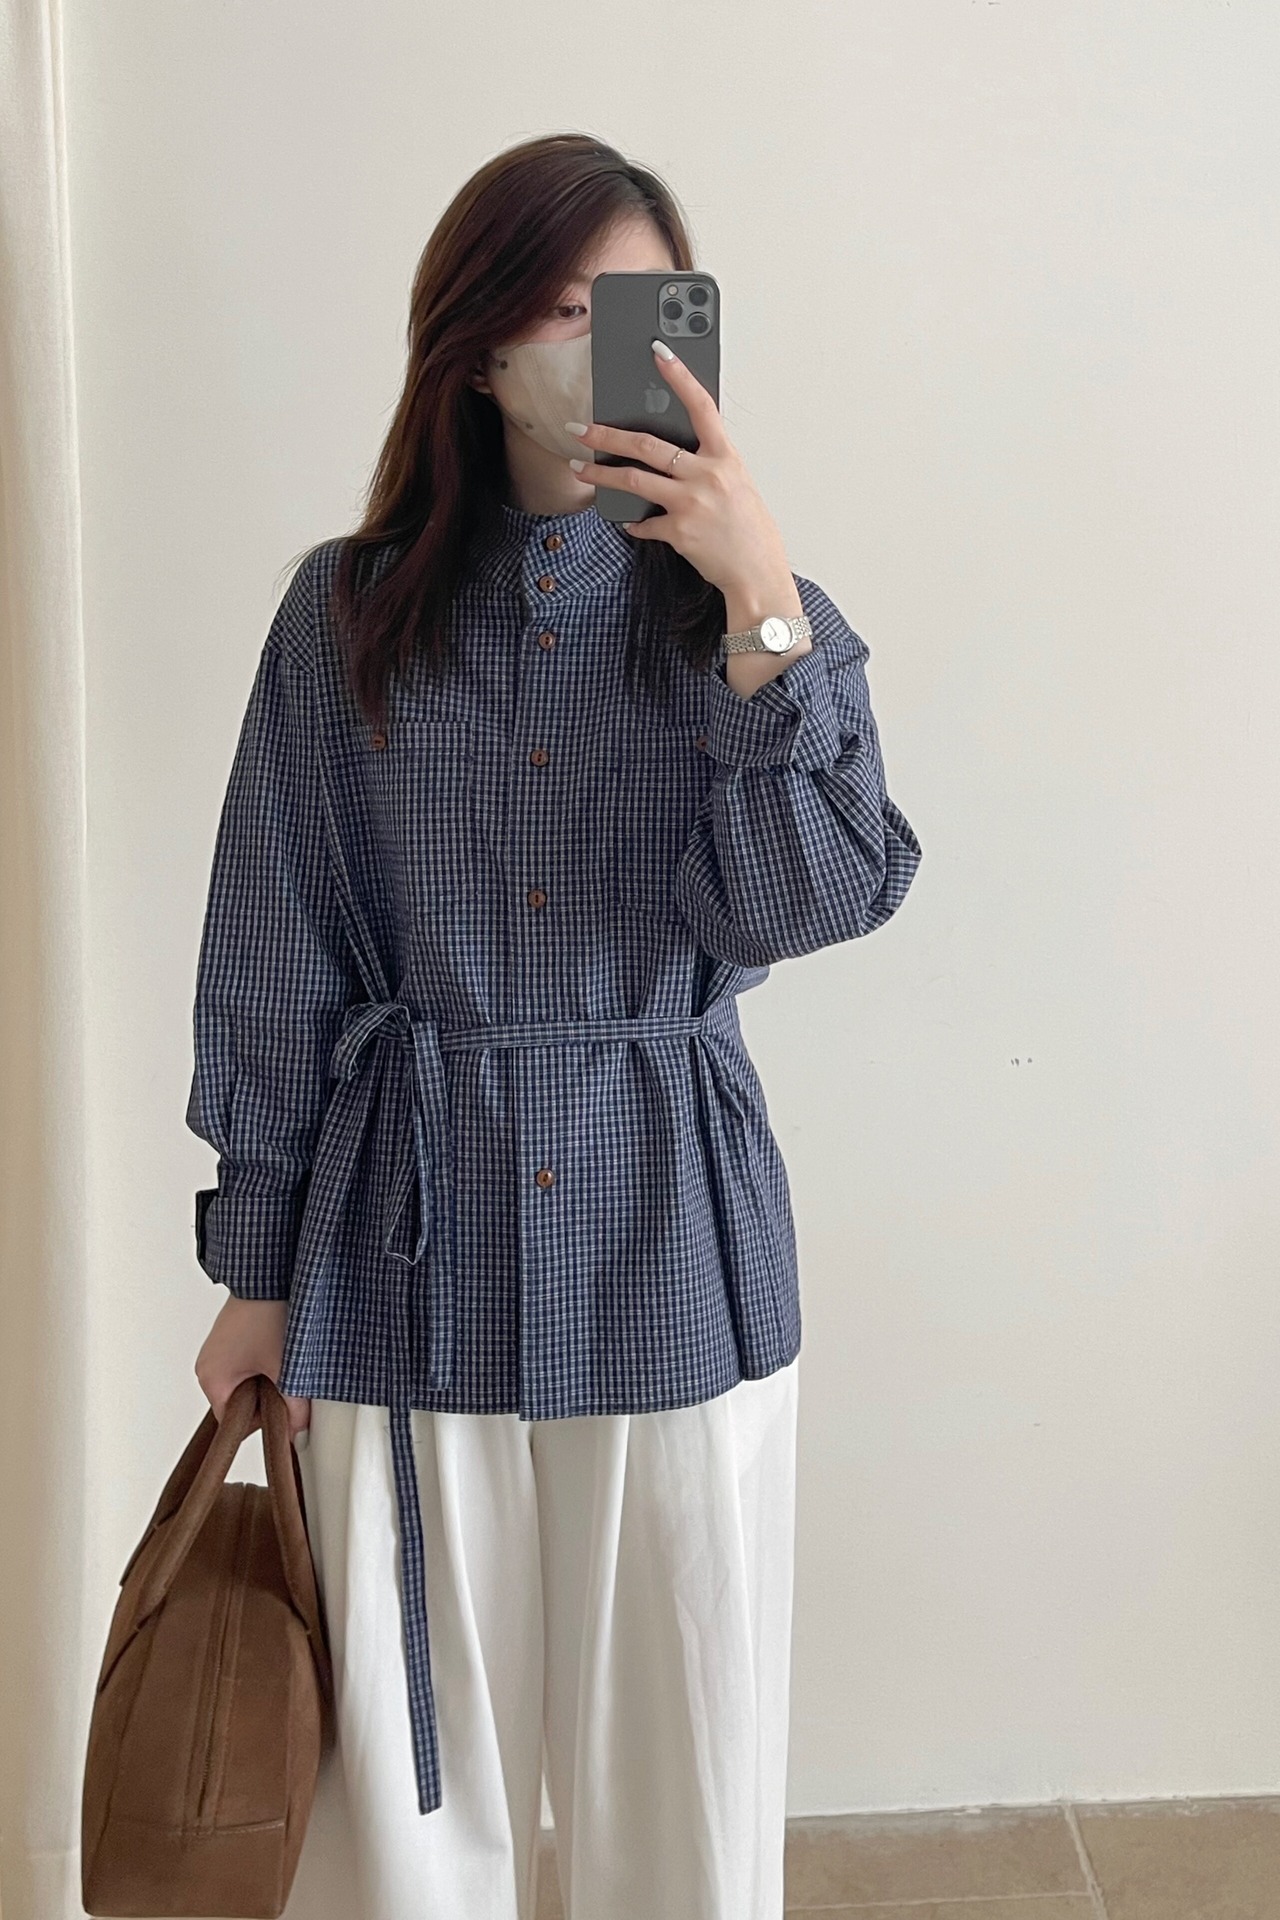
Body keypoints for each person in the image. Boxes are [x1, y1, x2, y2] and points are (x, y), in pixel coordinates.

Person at [189, 131, 922, 1920]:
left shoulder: (752, 622)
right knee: (394, 1824)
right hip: (399, 1249)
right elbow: (274, 944)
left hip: (670, 1243)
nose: (605, 350)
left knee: (681, 1802)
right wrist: (257, 1267)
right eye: (567, 308)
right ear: (475, 343)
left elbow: (822, 892)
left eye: (642, 310)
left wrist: (759, 601)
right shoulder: (343, 615)